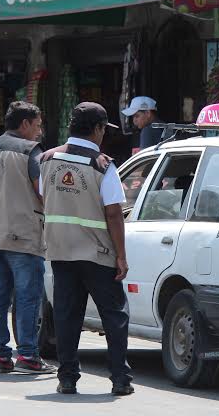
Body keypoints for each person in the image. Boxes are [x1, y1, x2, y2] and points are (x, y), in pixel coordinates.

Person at [40, 102, 133, 396]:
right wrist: (121, 255)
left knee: (67, 316)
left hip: (60, 250)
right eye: (104, 129)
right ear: (96, 129)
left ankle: (67, 378)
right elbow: (115, 213)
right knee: (114, 315)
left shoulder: (47, 159)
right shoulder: (101, 165)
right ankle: (120, 379)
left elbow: (45, 198)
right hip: (97, 253)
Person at [0, 101, 54, 375]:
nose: (39, 132)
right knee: (27, 297)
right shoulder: (30, 151)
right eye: (37, 125)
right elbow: (43, 192)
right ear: (25, 124)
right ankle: (27, 356)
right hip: (23, 234)